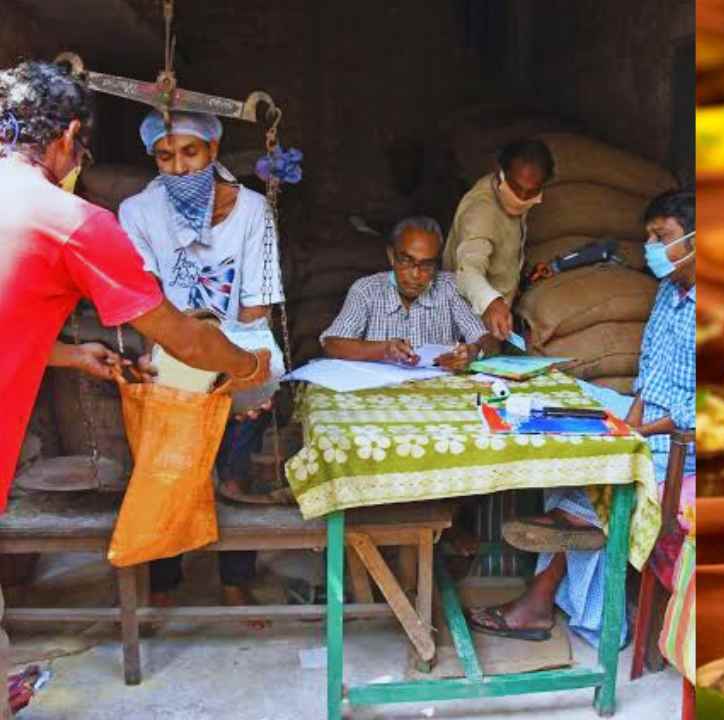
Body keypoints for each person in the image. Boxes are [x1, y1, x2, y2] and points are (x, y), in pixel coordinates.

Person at [0, 60, 269, 715]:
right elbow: (180, 336)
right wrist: (247, 369)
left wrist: (66, 354)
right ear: (68, 137)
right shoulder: (75, 221)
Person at [467, 189, 696, 646]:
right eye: (648, 235)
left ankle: (550, 593)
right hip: (646, 421)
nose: (651, 245)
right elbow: (648, 371)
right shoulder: (670, 293)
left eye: (661, 236)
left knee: (597, 475)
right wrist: (631, 416)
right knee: (562, 420)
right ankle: (564, 533)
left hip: (683, 444)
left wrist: (640, 430)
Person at [117, 109, 287, 610]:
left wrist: (243, 372)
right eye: (165, 156)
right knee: (170, 467)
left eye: (190, 152)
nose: (179, 166)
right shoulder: (137, 212)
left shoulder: (253, 210)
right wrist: (191, 357)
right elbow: (148, 303)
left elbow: (256, 309)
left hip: (240, 342)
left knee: (236, 472)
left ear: (213, 151)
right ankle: (165, 582)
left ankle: (235, 579)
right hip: (172, 348)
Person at [322, 216, 500, 369]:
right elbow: (332, 344)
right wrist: (384, 350)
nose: (416, 274)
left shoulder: (450, 288)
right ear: (391, 256)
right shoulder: (366, 291)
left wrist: (474, 351)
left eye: (426, 265)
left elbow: (488, 341)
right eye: (407, 261)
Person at [443, 138, 554, 341]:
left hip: (496, 321)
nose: (521, 197)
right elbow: (467, 271)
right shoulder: (481, 212)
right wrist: (492, 302)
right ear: (500, 171)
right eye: (516, 187)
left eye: (531, 192)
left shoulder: (510, 193)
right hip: (464, 325)